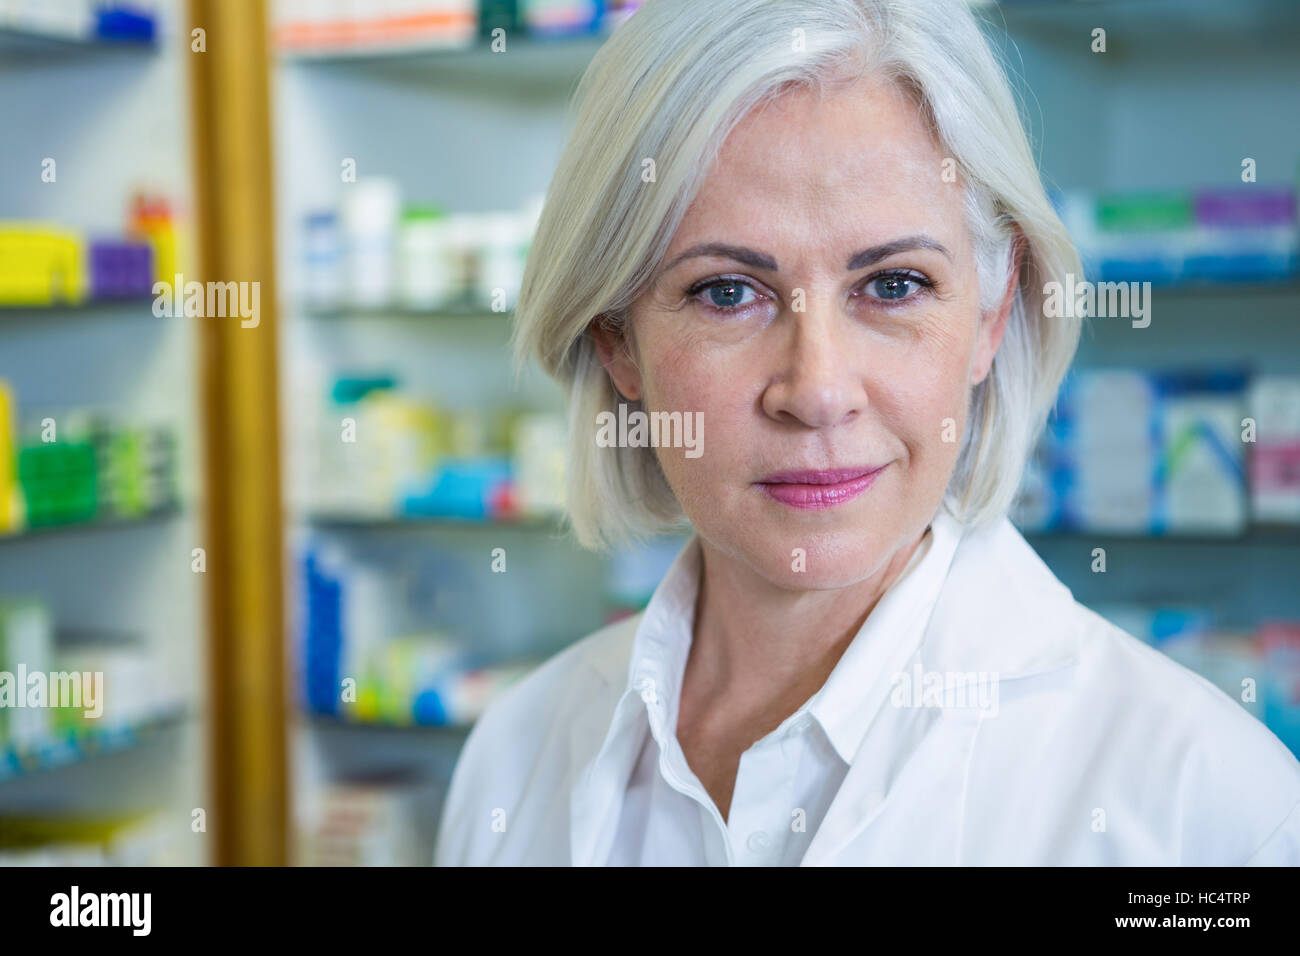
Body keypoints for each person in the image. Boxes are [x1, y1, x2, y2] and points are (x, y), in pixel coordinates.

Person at [434, 0, 1300, 865]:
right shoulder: (514, 759)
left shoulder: (1209, 812)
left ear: (993, 313)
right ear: (616, 342)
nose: (817, 391)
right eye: (727, 292)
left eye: (893, 285)